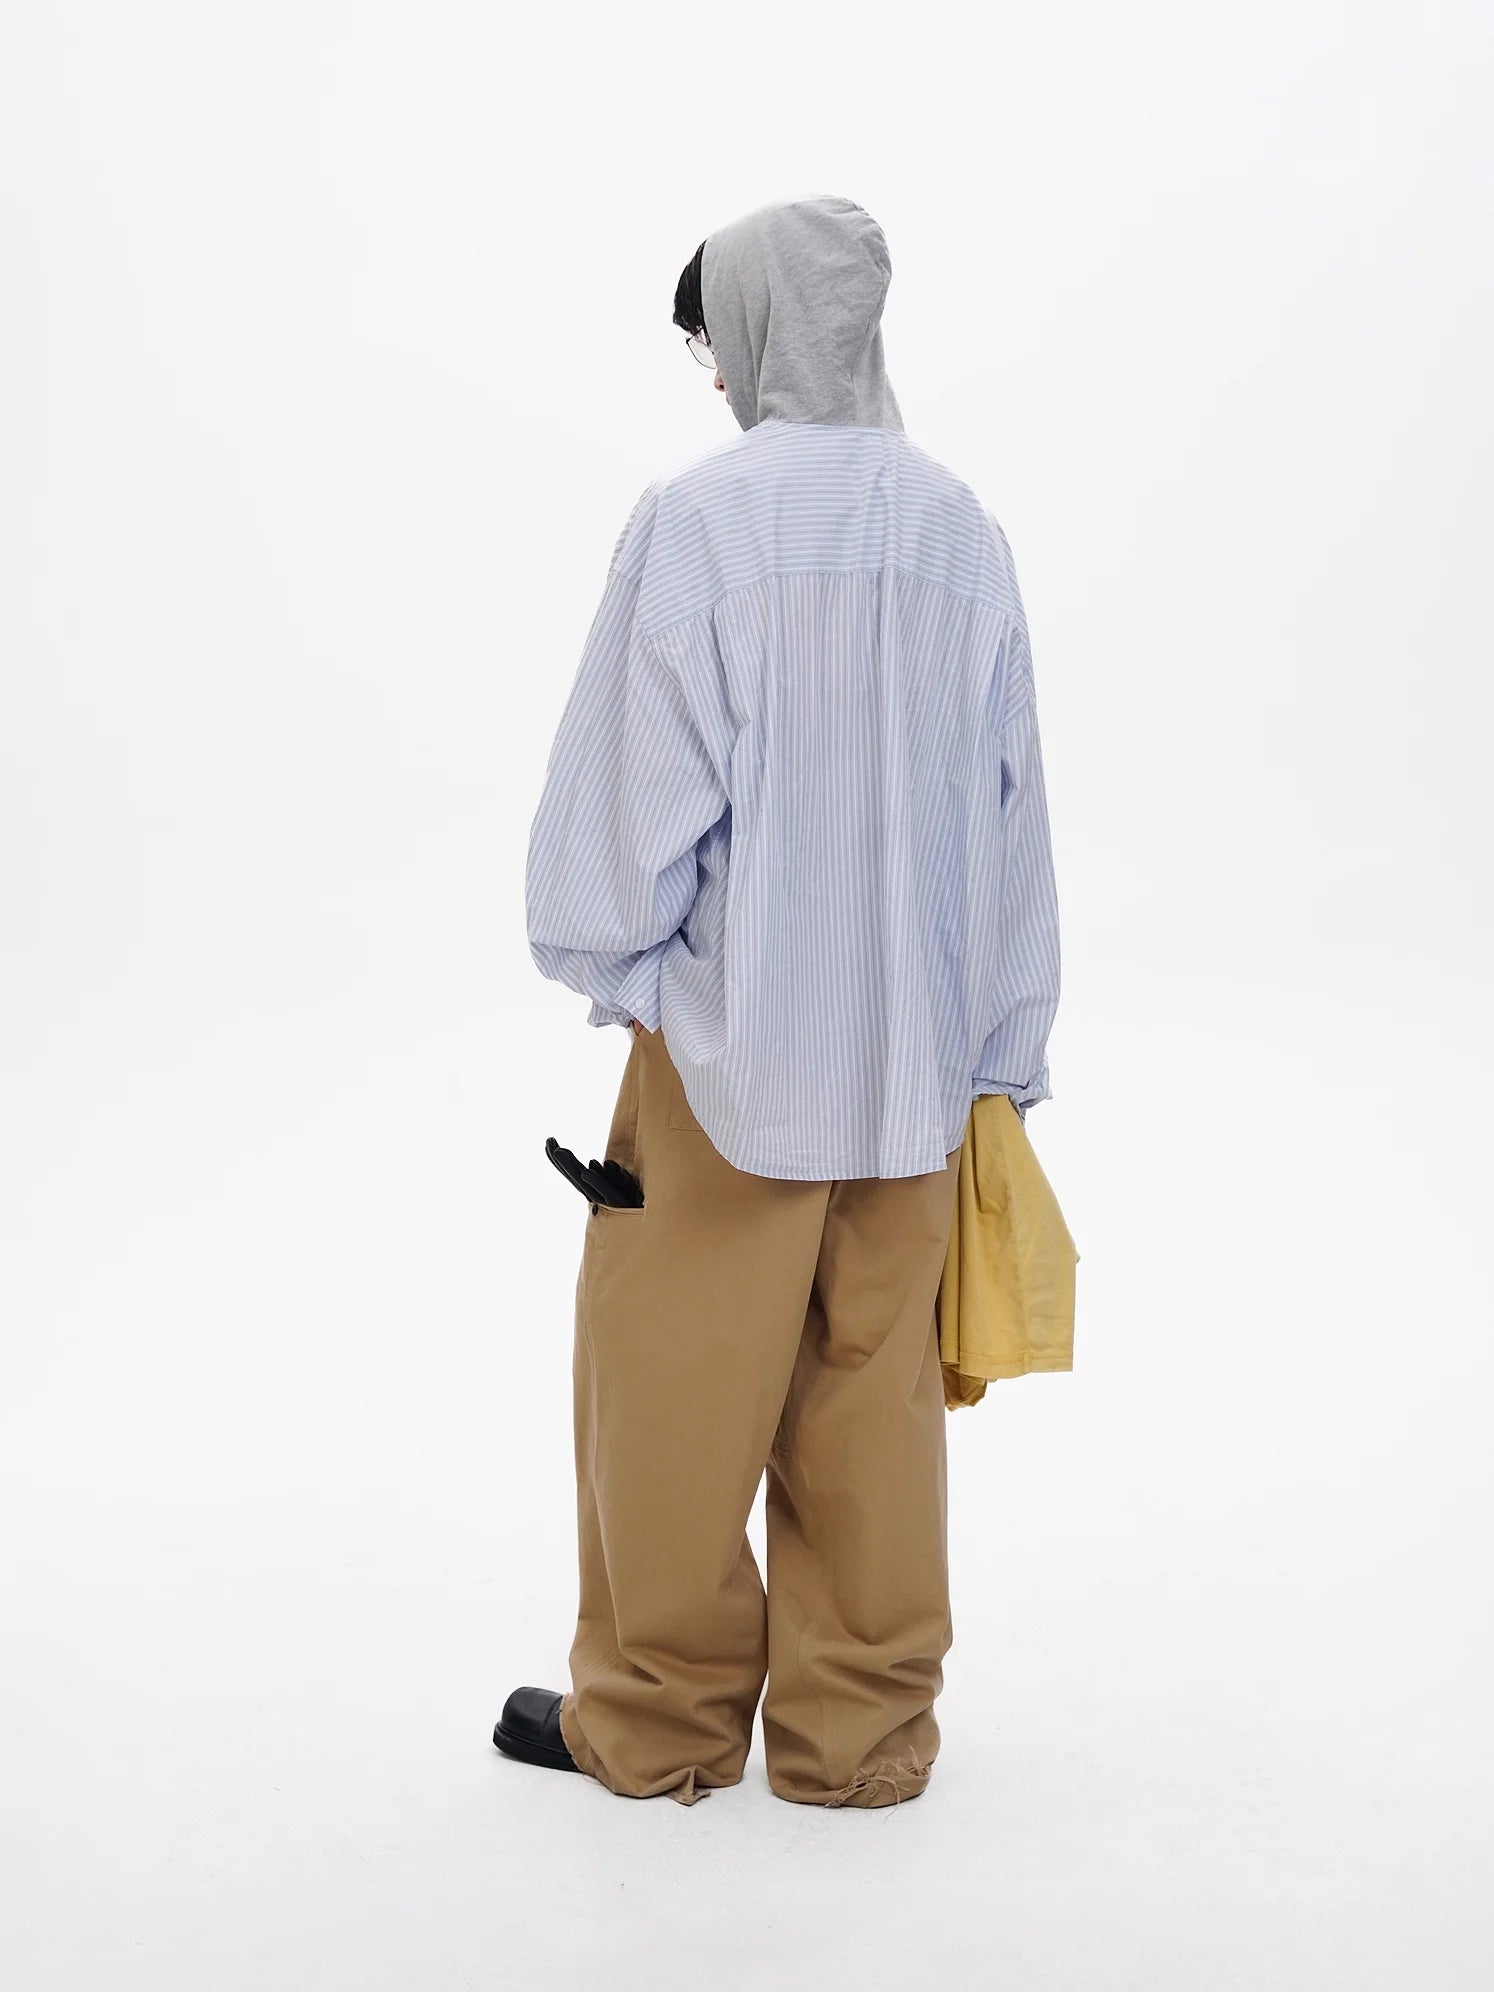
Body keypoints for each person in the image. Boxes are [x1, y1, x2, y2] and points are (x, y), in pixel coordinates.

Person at [493, 193, 1062, 1808]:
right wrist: (999, 1053)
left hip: (728, 1053)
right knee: (873, 1408)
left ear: (754, 328)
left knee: (670, 1394)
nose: (711, 373)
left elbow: (620, 815)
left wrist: (623, 966)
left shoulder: (700, 521)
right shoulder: (961, 529)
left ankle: (661, 1723)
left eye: (710, 337)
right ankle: (857, 1738)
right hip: (917, 1064)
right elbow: (1010, 819)